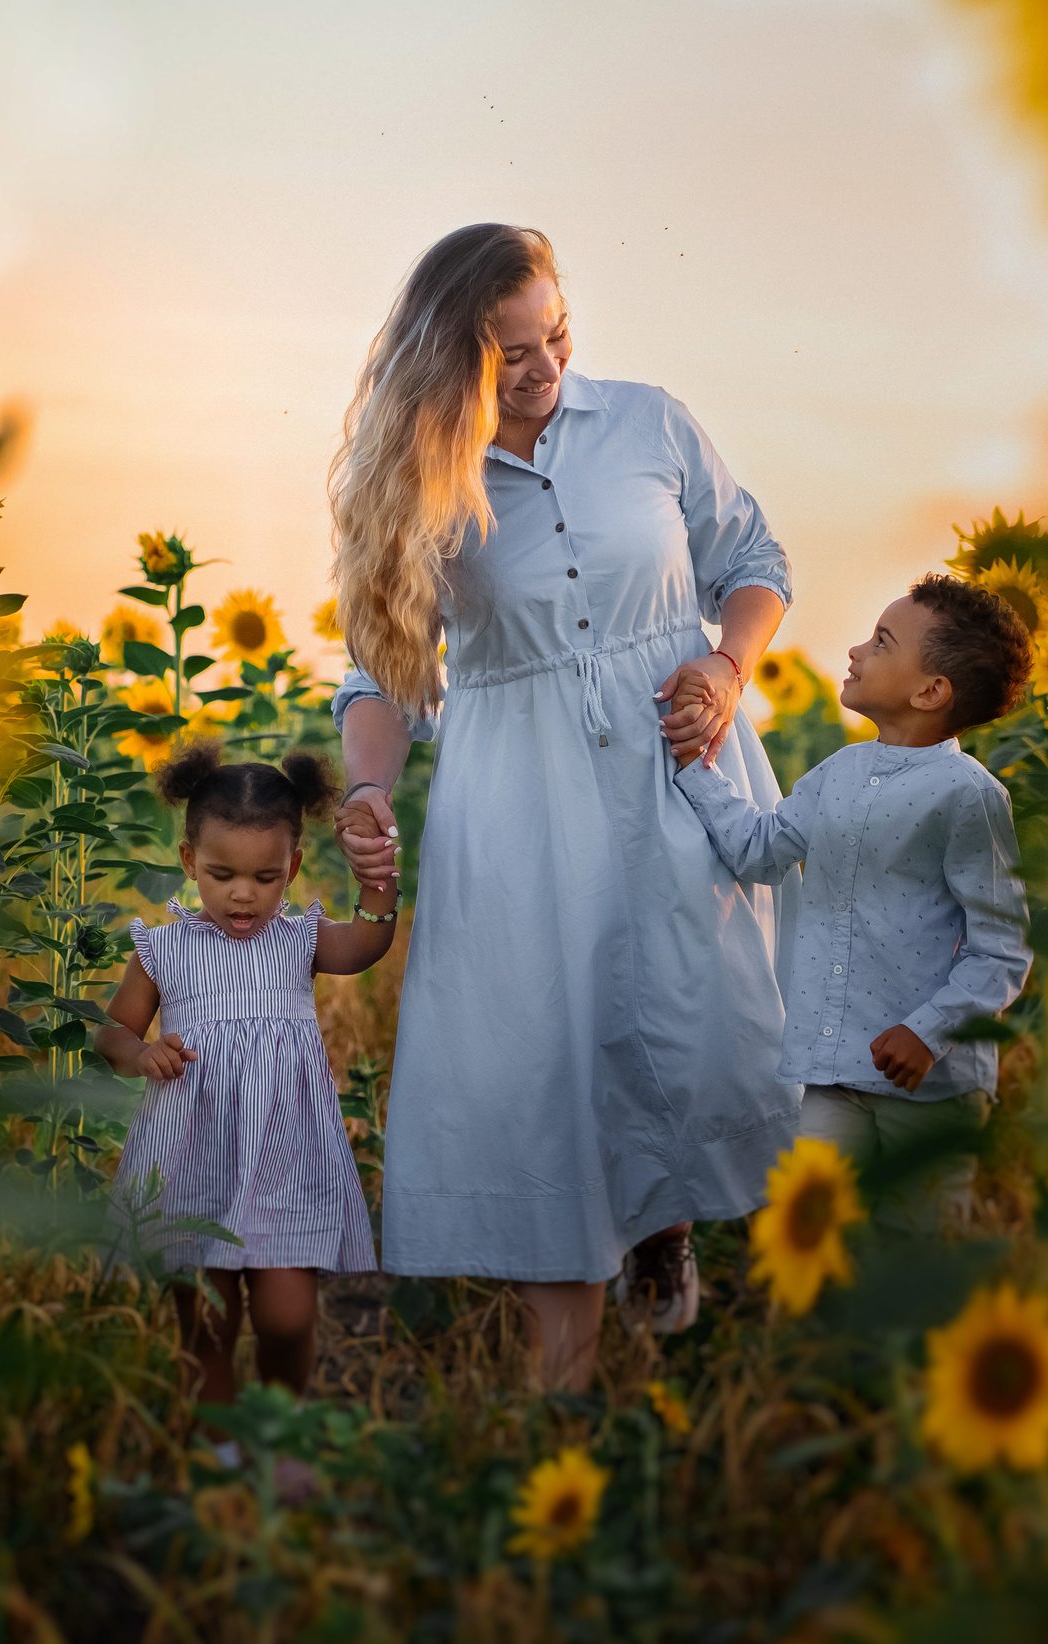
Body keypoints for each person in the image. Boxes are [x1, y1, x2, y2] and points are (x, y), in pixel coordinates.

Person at [329, 222, 800, 1390]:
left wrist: (725, 666)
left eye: (554, 336)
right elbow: (382, 670)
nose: (542, 367)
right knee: (542, 1048)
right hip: (519, 792)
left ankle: (663, 1223)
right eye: (508, 354)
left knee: (694, 1017)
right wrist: (370, 789)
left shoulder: (648, 421)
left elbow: (753, 558)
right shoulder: (421, 485)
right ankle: (563, 1368)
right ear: (448, 362)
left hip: (676, 770)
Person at [669, 574, 1034, 1231]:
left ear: (930, 692)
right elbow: (761, 848)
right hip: (832, 1067)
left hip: (927, 1085)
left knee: (920, 1244)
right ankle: (818, 1335)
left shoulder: (967, 795)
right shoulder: (839, 772)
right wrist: (699, 766)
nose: (856, 651)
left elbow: (1001, 948)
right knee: (811, 1234)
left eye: (882, 642)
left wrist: (929, 1033)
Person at [96, 741, 399, 1415]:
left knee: (287, 1317)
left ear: (291, 868)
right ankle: (217, 1446)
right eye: (220, 873)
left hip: (285, 1157)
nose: (242, 893)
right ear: (188, 862)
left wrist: (379, 878)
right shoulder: (164, 949)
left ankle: (279, 1427)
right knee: (206, 1321)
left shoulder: (299, 939)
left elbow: (369, 943)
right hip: (194, 1154)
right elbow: (112, 1032)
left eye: (265, 878)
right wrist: (141, 1055)